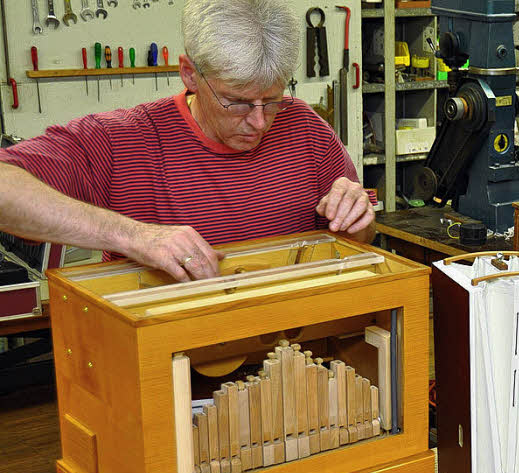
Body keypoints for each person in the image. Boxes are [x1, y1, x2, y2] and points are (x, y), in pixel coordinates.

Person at [0, 0, 374, 282]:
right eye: (237, 101)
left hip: (292, 355)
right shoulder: (122, 140)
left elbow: (361, 240)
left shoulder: (305, 128)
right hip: (167, 361)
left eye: (272, 100)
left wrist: (356, 220)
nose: (260, 122)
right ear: (190, 75)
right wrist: (133, 236)